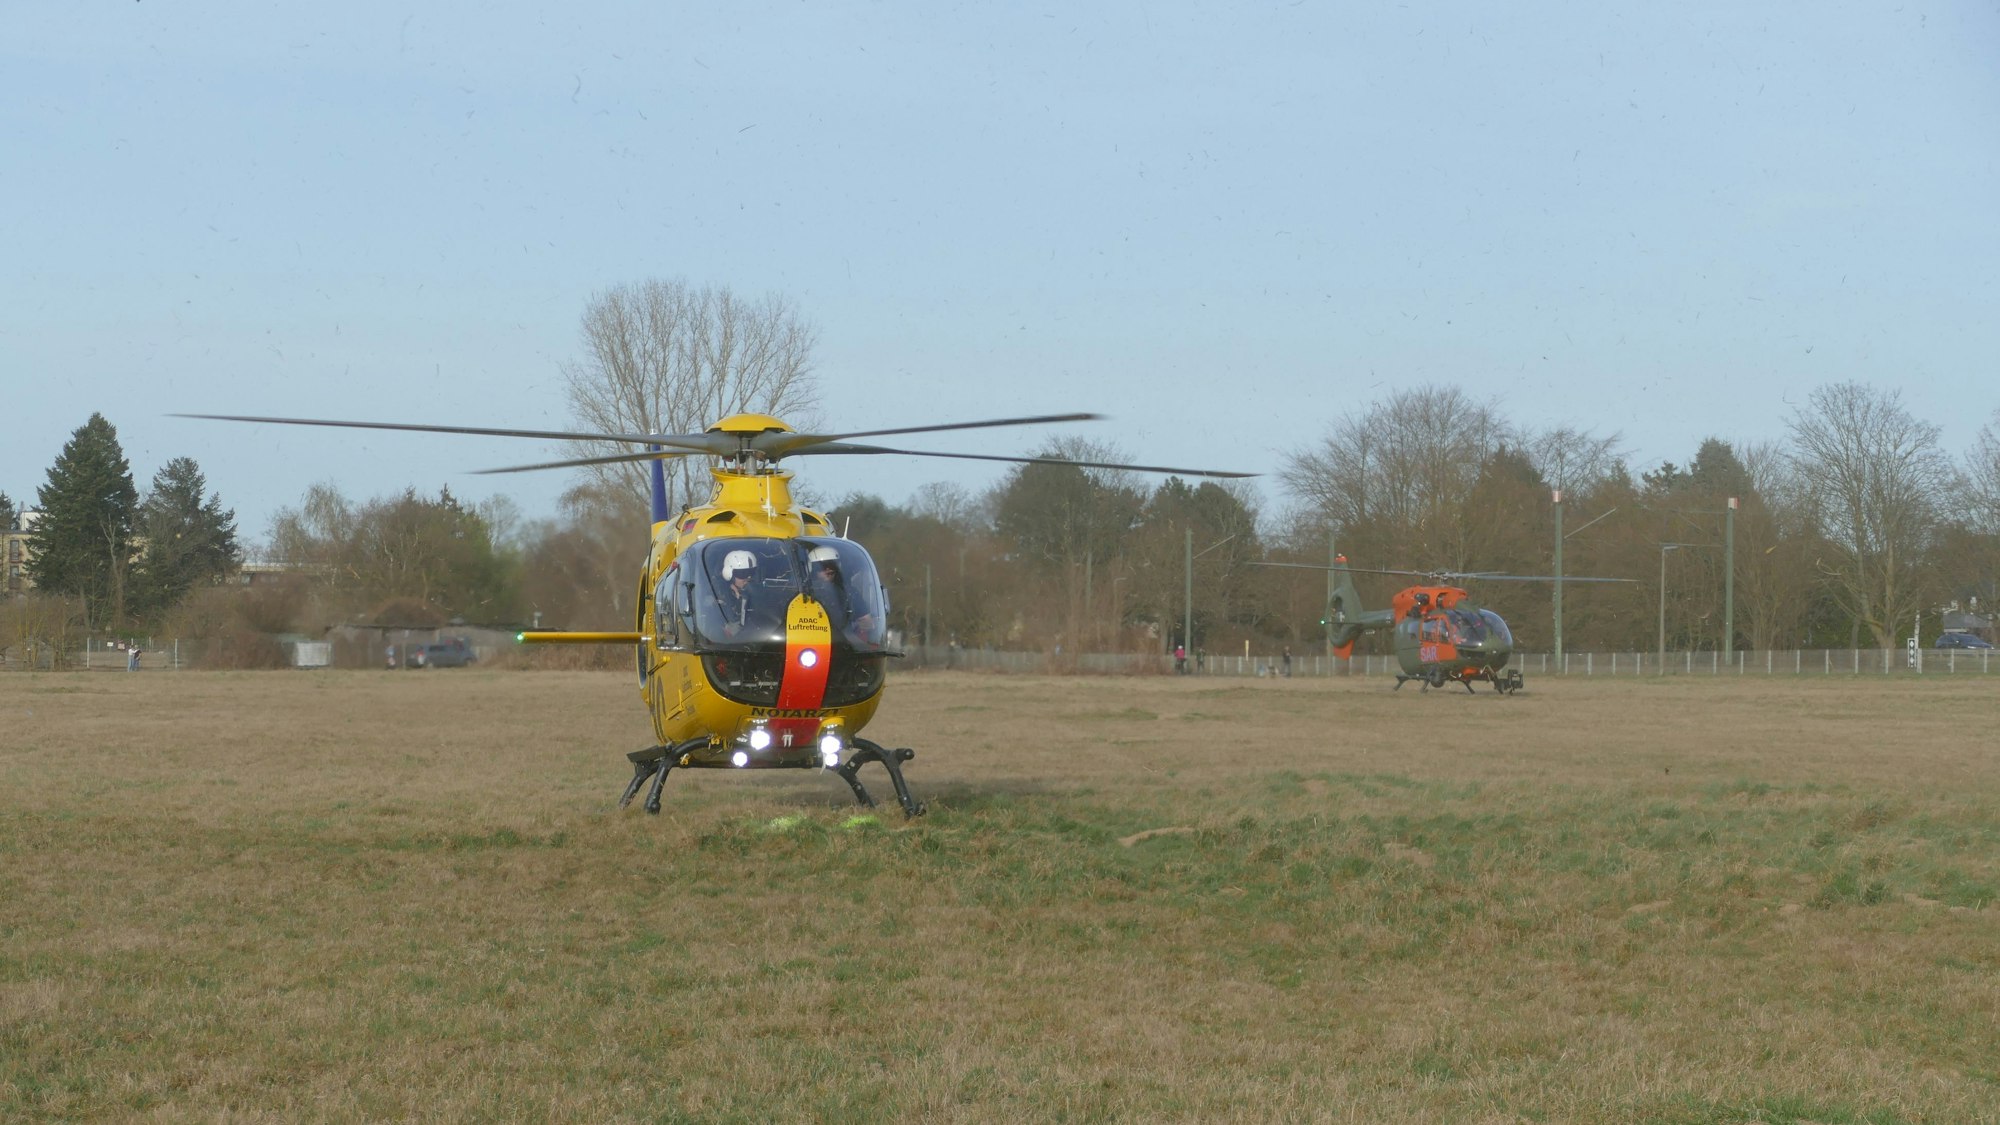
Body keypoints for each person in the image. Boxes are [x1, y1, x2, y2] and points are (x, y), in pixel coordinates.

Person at [806, 546, 876, 646]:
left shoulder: (849, 592)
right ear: (812, 568)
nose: (828, 569)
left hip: (842, 641)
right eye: (822, 565)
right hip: (809, 639)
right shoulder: (803, 592)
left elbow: (867, 622)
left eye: (832, 564)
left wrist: (863, 625)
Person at [718, 549, 759, 638]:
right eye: (742, 573)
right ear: (729, 574)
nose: (748, 577)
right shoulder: (720, 595)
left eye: (751, 572)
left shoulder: (756, 593)